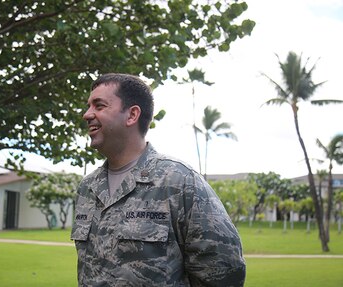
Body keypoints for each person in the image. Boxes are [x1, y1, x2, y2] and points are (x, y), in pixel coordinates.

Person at [71, 73, 246, 286]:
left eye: (99, 106)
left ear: (132, 115)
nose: (86, 114)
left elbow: (223, 271)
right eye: (88, 106)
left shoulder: (178, 181)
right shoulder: (88, 187)